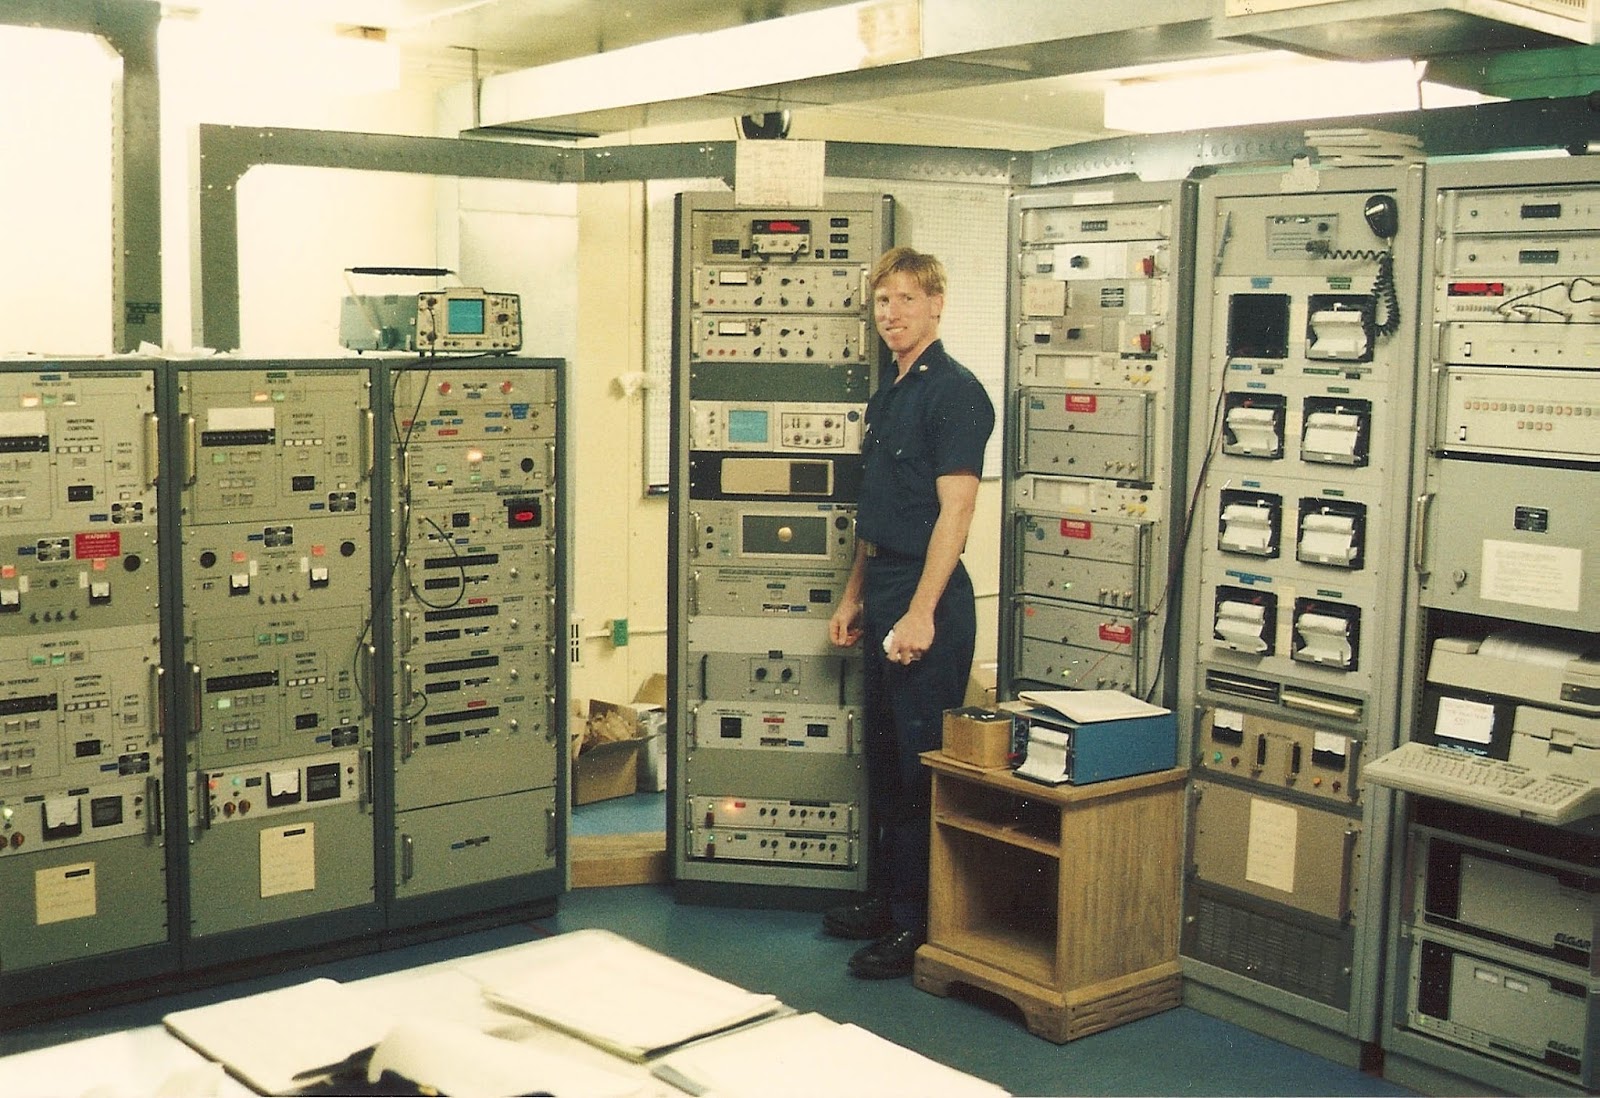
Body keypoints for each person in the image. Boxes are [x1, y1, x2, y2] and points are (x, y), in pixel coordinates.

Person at [825, 246, 995, 979]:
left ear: (936, 305)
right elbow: (880, 513)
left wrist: (920, 614)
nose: (890, 313)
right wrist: (856, 596)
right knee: (886, 765)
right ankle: (888, 903)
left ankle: (919, 926)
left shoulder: (956, 393)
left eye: (905, 299)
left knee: (921, 766)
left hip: (931, 598)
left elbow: (954, 515)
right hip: (887, 584)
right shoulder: (889, 392)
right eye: (881, 301)